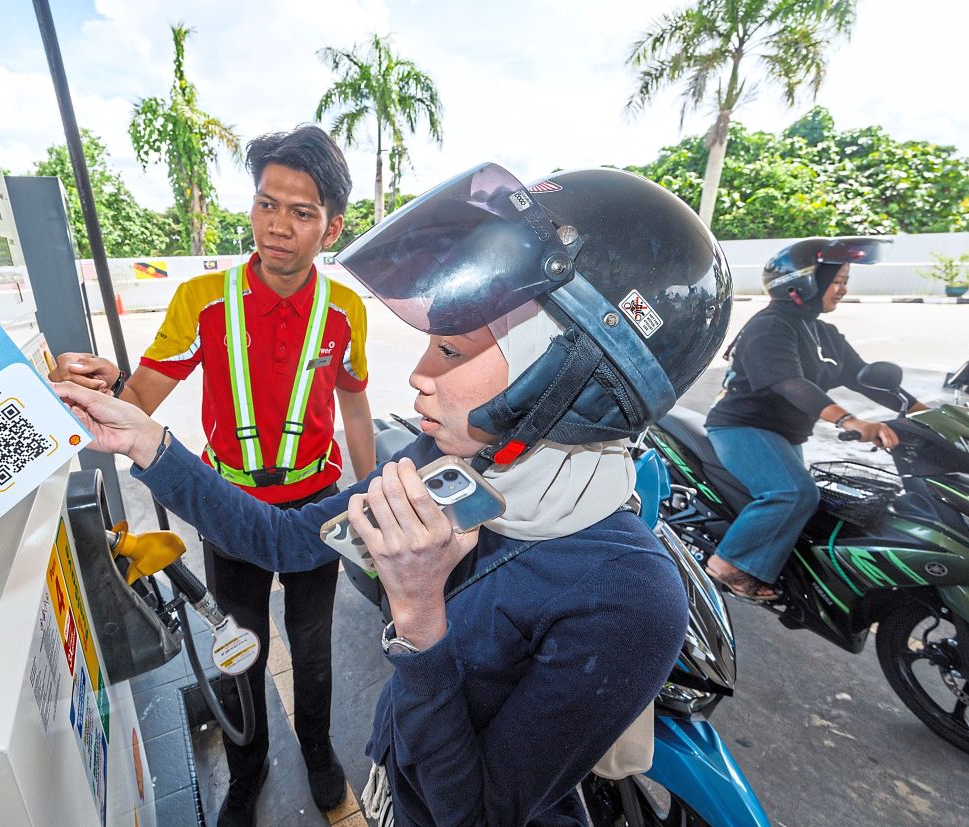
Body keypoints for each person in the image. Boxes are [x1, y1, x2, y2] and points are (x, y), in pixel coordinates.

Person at [54, 164, 733, 825]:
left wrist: (419, 616)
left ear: (564, 375)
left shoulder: (630, 598)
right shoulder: (453, 459)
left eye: (453, 351)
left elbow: (471, 811)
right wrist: (143, 439)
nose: (417, 374)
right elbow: (285, 539)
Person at [50, 126, 375, 824]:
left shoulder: (345, 312)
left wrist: (368, 503)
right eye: (266, 204)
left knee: (314, 649)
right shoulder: (202, 299)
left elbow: (354, 404)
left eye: (301, 212)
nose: (277, 226)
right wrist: (89, 385)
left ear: (333, 224)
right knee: (239, 651)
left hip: (318, 508)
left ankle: (320, 757)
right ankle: (248, 769)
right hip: (228, 510)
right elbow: (137, 404)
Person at [704, 237, 929, 600]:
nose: (842, 290)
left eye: (845, 281)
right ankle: (729, 566)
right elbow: (791, 384)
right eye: (837, 281)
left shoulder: (823, 331)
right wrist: (849, 420)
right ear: (803, 283)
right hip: (743, 427)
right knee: (792, 493)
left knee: (808, 504)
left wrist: (922, 410)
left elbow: (862, 376)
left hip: (786, 434)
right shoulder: (770, 326)